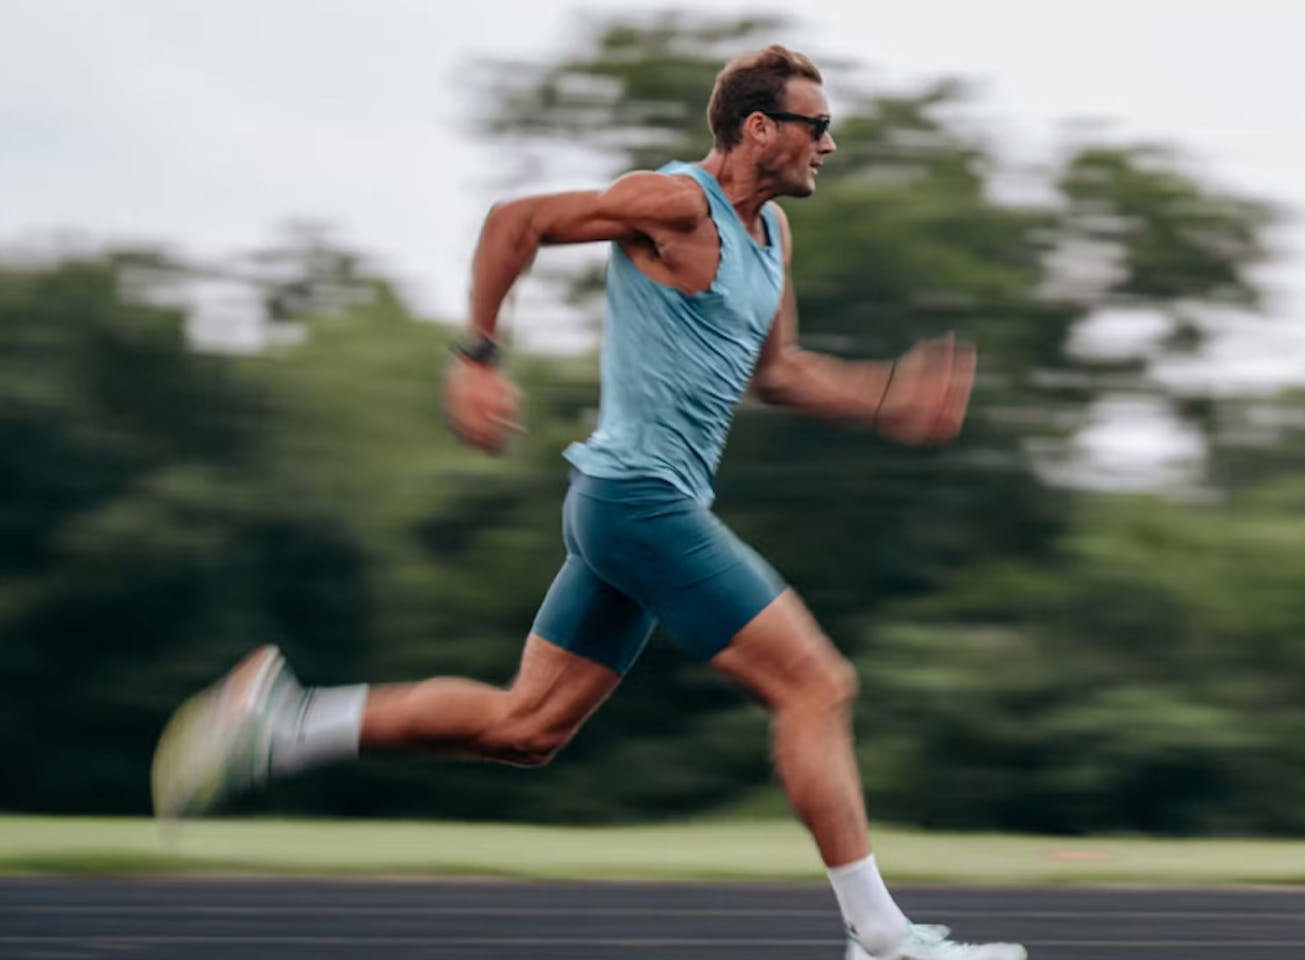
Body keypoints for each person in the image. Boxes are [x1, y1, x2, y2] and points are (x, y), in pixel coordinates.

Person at [151, 45, 1026, 960]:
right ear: (760, 128)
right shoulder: (676, 202)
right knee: (815, 685)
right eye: (819, 126)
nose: (831, 145)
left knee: (525, 730)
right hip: (636, 500)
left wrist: (888, 396)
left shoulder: (769, 240)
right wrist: (477, 358)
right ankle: (882, 937)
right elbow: (515, 220)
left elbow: (777, 373)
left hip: (630, 508)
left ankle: (284, 724)